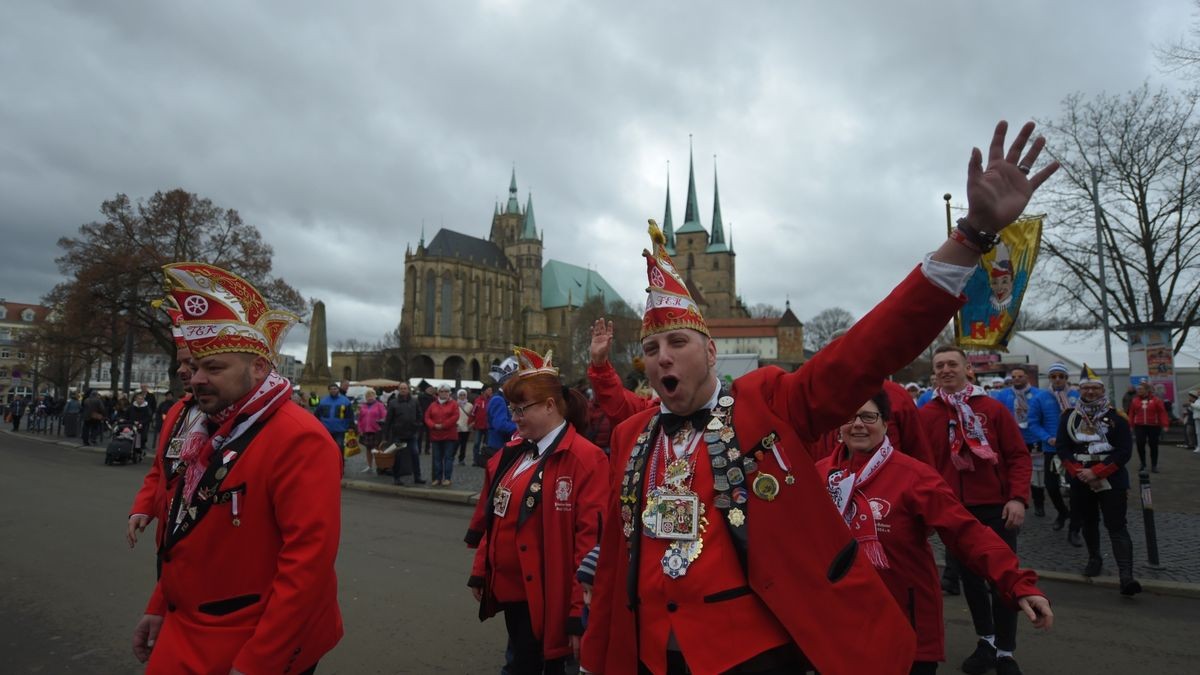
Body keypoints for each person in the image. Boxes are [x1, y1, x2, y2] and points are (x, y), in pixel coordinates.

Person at [582, 118, 1059, 675]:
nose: (662, 356)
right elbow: (618, 559)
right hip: (649, 657)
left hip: (753, 654)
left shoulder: (766, 404)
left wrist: (972, 236)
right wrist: (597, 657)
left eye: (678, 342)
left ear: (711, 353)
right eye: (651, 346)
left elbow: (867, 351)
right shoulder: (629, 437)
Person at [131, 261, 342, 673]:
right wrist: (161, 605)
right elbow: (184, 529)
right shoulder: (204, 424)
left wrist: (259, 661)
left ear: (259, 368)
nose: (194, 380)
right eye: (193, 369)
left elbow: (307, 564)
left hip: (251, 639)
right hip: (186, 626)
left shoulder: (300, 438)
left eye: (214, 368)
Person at [816, 391, 1051, 674]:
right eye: (849, 418)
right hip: (839, 623)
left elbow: (967, 534)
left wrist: (1016, 583)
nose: (857, 424)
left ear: (885, 423)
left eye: (868, 416)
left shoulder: (914, 476)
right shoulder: (818, 475)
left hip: (904, 620)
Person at [465, 347, 608, 674]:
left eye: (520, 409)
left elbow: (590, 545)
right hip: (515, 598)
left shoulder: (585, 459)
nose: (513, 418)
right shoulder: (513, 453)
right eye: (512, 408)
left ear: (549, 406)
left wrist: (578, 613)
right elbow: (495, 515)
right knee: (519, 660)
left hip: (551, 601)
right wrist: (482, 570)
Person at [919, 345, 1033, 675]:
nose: (945, 370)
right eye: (939, 365)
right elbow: (921, 466)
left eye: (952, 364)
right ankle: (986, 640)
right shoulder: (926, 415)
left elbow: (1017, 457)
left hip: (997, 508)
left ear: (968, 369)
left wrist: (1017, 498)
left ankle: (1005, 652)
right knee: (971, 581)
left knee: (1003, 579)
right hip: (954, 511)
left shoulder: (993, 410)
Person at [1056, 365, 1142, 596]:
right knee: (1088, 521)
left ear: (1102, 390)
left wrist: (1098, 472)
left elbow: (1124, 451)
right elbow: (1063, 449)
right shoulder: (1069, 417)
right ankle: (1094, 559)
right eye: (1087, 388)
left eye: (1095, 388)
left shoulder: (1117, 417)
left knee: (1117, 525)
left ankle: (1126, 575)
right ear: (1080, 390)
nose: (1091, 392)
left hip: (1111, 477)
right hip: (1080, 476)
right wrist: (1079, 472)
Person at [128, 297, 199, 554]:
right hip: (168, 542)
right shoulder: (178, 410)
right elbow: (161, 469)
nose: (182, 371)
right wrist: (144, 507)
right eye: (180, 363)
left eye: (191, 364)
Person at [992, 367, 1063, 522]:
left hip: (1035, 439)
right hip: (1013, 440)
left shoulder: (1039, 394)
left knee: (1038, 473)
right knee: (1018, 471)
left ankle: (1039, 503)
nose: (1017, 379)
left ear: (1027, 378)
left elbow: (1043, 417)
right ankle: (1018, 499)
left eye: (1020, 376)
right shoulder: (1003, 395)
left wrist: (1045, 436)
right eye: (1014, 376)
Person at [384, 382, 425, 485]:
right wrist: (386, 435)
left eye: (405, 388)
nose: (403, 390)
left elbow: (420, 414)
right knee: (398, 456)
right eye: (401, 388)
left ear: (408, 389)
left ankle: (417, 477)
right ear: (399, 390)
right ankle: (396, 477)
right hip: (398, 435)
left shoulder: (414, 401)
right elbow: (388, 420)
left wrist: (417, 425)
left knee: (415, 454)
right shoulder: (393, 402)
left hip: (411, 434)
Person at [1128, 381, 1169, 472]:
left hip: (1154, 426)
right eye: (1138, 389)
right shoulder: (1135, 401)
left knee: (1153, 445)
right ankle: (1143, 464)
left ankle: (1154, 465)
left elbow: (1162, 413)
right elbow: (1131, 414)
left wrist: (1165, 424)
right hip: (1140, 426)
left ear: (1147, 390)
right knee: (1140, 444)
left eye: (1141, 389)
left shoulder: (1156, 400)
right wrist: (1130, 425)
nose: (1138, 390)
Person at [426, 384, 460, 486]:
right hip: (435, 435)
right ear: (438, 393)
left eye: (446, 391)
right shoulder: (433, 405)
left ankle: (447, 478)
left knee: (448, 458)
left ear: (449, 393)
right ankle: (437, 478)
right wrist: (433, 425)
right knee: (437, 458)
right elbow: (427, 417)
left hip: (449, 436)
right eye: (442, 391)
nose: (444, 393)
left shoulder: (454, 404)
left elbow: (455, 416)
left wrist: (443, 425)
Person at [487, 359, 521, 459]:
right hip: (499, 448)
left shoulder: (506, 398)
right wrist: (522, 428)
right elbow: (500, 425)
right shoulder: (498, 400)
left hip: (506, 447)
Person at [315, 382, 355, 458]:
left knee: (339, 448)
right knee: (327, 448)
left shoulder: (345, 401)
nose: (333, 390)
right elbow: (317, 415)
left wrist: (351, 426)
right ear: (329, 390)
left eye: (335, 389)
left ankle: (340, 466)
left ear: (338, 390)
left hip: (340, 430)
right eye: (331, 389)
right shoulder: (323, 401)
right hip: (326, 430)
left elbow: (350, 415)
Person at [357, 388, 388, 474]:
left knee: (378, 449)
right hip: (366, 430)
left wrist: (381, 428)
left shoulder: (380, 405)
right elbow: (359, 419)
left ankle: (379, 466)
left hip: (377, 431)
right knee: (368, 449)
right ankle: (369, 466)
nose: (370, 397)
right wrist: (360, 429)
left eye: (371, 395)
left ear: (375, 396)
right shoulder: (363, 406)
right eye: (368, 396)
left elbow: (384, 417)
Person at [472, 386, 493, 466]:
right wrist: (471, 421)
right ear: (484, 391)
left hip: (488, 427)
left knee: (487, 444)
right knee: (476, 444)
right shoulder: (478, 401)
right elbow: (473, 413)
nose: (491, 391)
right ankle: (475, 460)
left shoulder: (492, 400)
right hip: (479, 426)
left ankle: (485, 460)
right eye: (489, 390)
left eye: (491, 390)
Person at [456, 388, 474, 465]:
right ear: (458, 396)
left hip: (466, 427)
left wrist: (472, 423)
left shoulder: (470, 405)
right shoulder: (455, 404)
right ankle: (451, 456)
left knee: (464, 445)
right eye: (460, 395)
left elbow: (473, 416)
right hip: (457, 427)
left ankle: (461, 459)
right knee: (455, 444)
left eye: (464, 395)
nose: (462, 396)